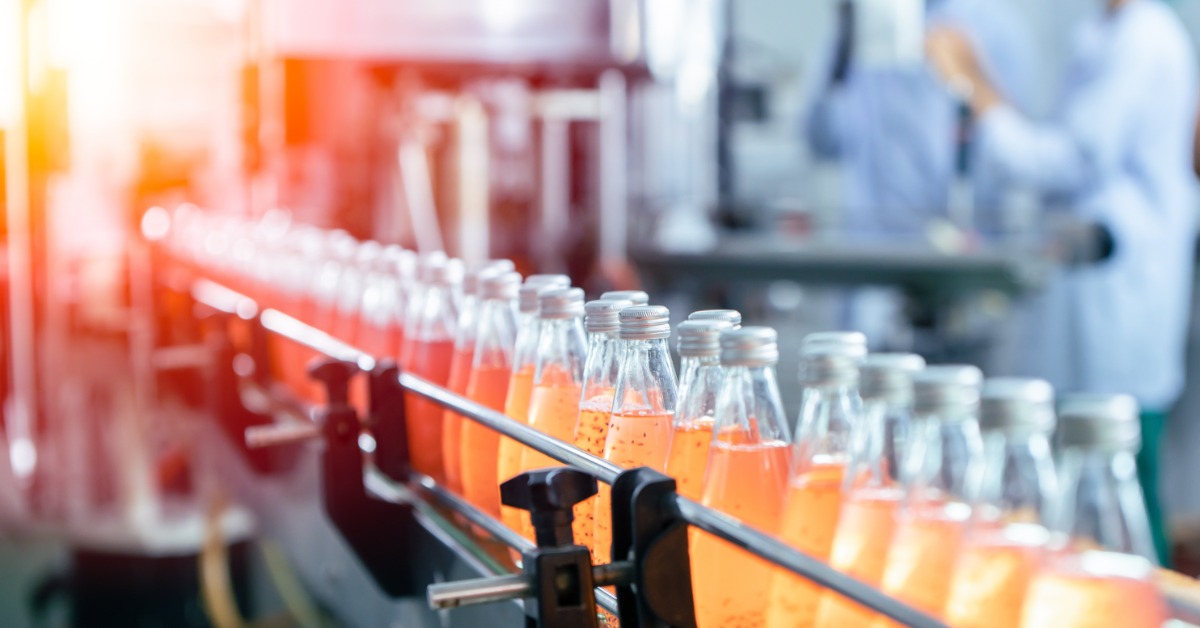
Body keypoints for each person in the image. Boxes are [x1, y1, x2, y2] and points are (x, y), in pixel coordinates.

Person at [926, 0, 1198, 567]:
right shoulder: (1105, 32)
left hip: (1117, 296)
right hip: (1100, 297)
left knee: (1122, 496)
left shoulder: (1143, 39)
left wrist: (974, 81)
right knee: (1094, 497)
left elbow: (1069, 161)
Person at [804, 0, 1033, 344]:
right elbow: (821, 140)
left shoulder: (990, 23)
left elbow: (1016, 148)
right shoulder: (866, 21)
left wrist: (970, 77)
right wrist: (843, 50)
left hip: (955, 276)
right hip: (871, 275)